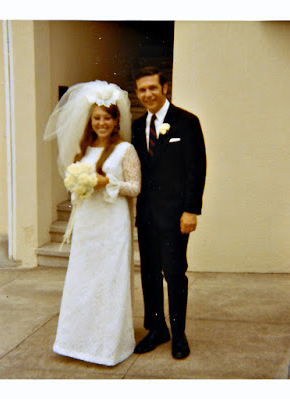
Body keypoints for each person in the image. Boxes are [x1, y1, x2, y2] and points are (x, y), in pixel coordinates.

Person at [43, 81, 141, 366]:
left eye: (107, 118)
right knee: (84, 279)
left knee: (109, 279)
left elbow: (135, 187)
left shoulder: (125, 150)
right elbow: (77, 186)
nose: (102, 123)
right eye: (97, 118)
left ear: (116, 120)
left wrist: (106, 181)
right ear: (90, 120)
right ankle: (75, 342)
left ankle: (108, 345)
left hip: (112, 223)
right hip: (88, 223)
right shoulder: (83, 150)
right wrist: (80, 186)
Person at [131, 67, 206, 359]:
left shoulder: (186, 122)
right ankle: (157, 329)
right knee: (149, 273)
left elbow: (196, 168)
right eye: (141, 90)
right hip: (146, 215)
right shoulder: (138, 126)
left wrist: (191, 210)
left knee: (174, 273)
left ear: (165, 88)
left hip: (175, 216)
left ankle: (178, 335)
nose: (147, 94)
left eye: (152, 87)